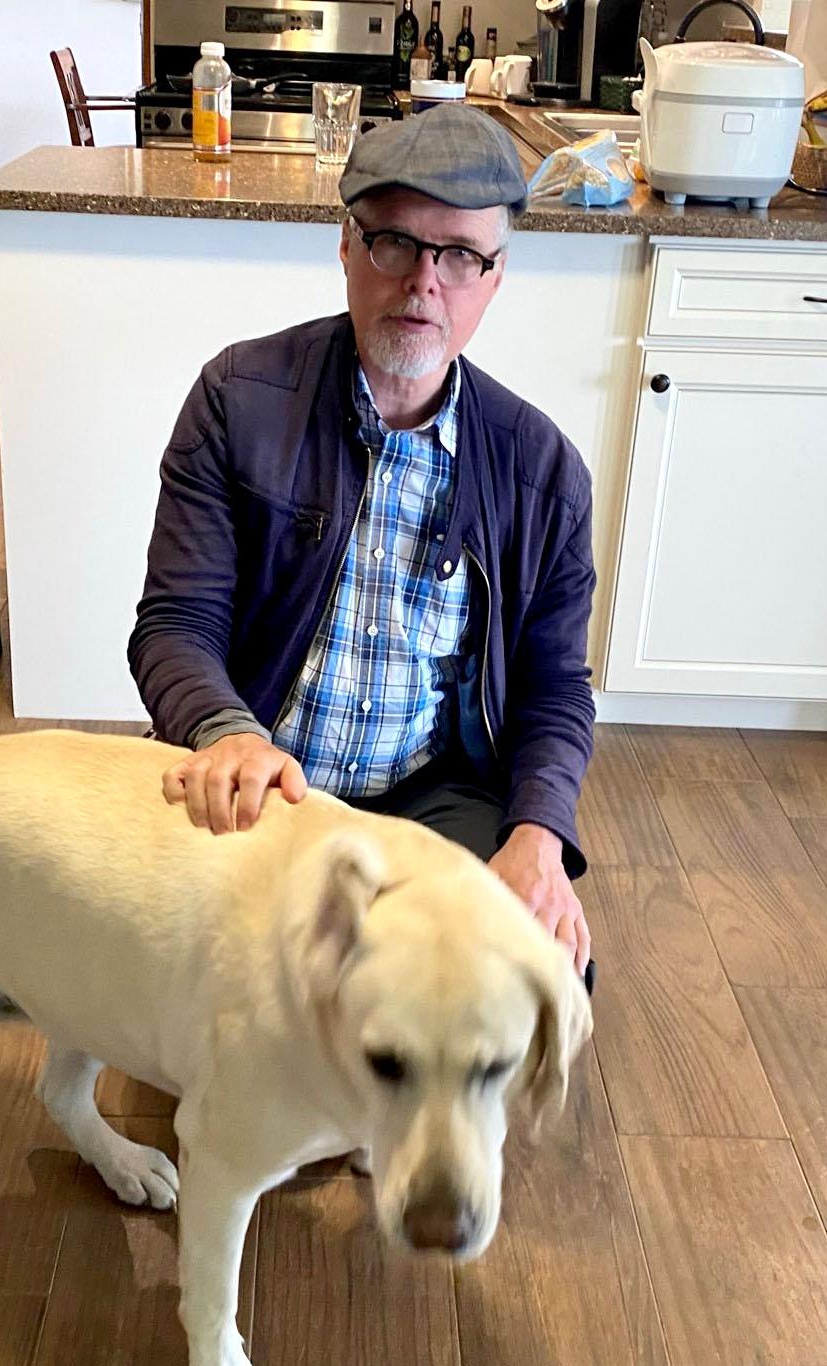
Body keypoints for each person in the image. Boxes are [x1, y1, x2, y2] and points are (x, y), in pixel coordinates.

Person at [128, 103, 597, 978]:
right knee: (186, 970)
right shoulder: (238, 398)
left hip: (433, 795)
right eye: (396, 244)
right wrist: (226, 732)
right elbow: (175, 623)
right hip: (260, 771)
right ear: (347, 246)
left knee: (528, 967)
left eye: (461, 255)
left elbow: (556, 689)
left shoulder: (544, 472)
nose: (426, 282)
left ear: (496, 277)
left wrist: (537, 831)